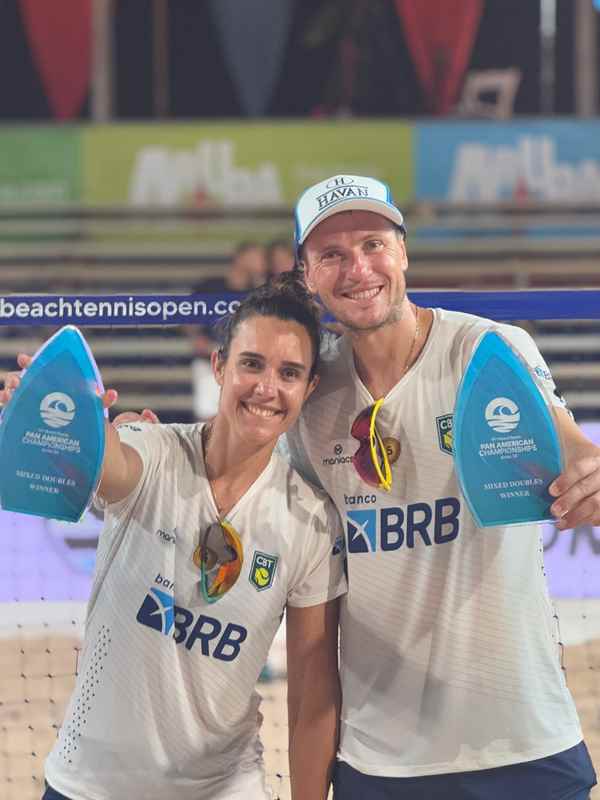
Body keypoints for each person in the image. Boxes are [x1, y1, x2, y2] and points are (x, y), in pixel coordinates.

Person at [283, 174, 599, 799]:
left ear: (403, 251)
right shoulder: (309, 395)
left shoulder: (487, 348)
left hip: (523, 740)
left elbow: (573, 448)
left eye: (374, 244)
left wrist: (592, 472)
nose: (358, 268)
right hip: (381, 761)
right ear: (306, 276)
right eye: (333, 255)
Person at [0, 274, 346, 800]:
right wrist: (62, 416)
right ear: (219, 367)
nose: (266, 387)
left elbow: (313, 691)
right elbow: (112, 463)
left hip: (223, 787)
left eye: (289, 372)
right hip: (89, 785)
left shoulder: (311, 520)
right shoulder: (154, 448)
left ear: (309, 388)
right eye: (251, 364)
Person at [189, 241, 268, 420]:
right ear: (240, 257)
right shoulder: (210, 286)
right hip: (209, 360)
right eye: (255, 256)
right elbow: (188, 314)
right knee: (208, 417)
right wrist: (196, 338)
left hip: (245, 363)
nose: (260, 261)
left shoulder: (259, 292)